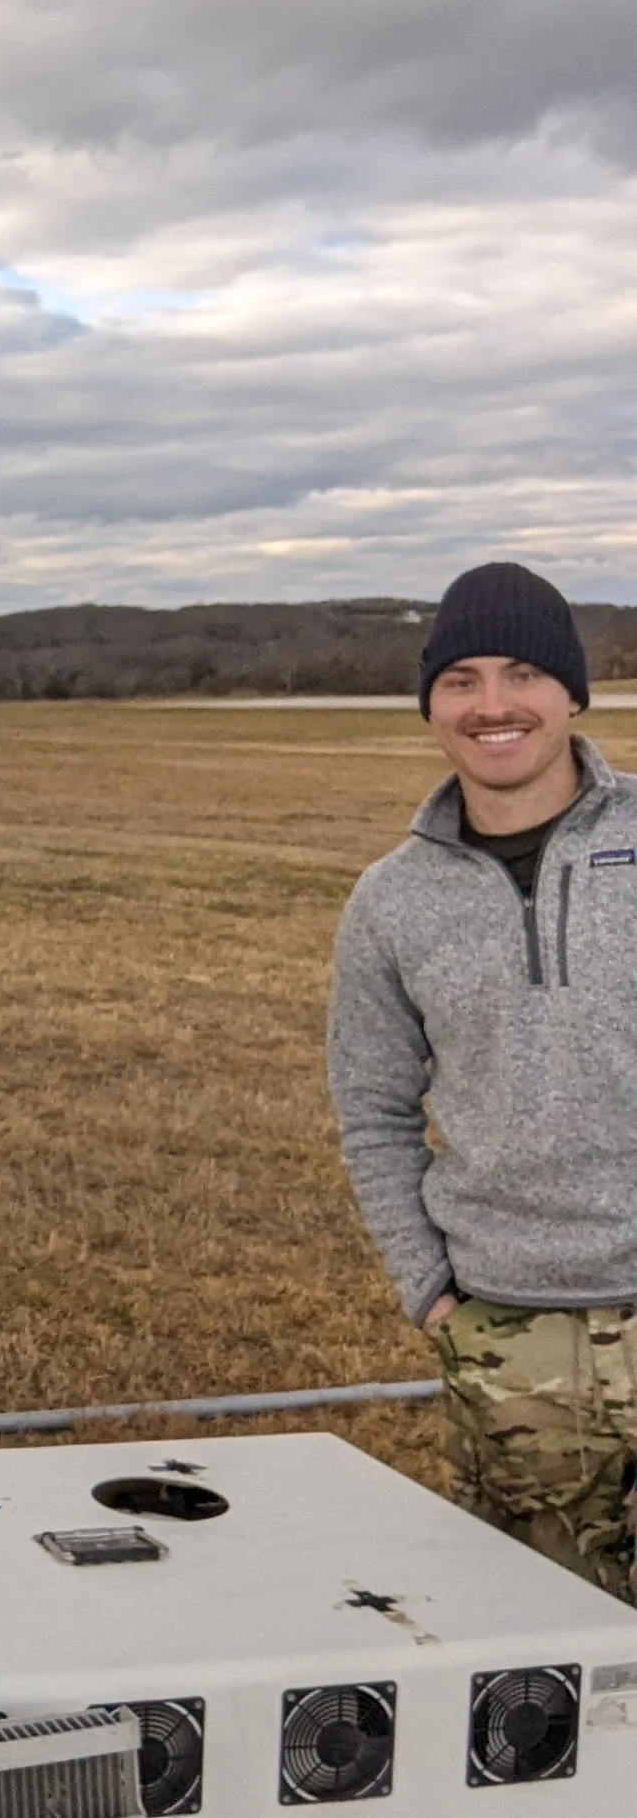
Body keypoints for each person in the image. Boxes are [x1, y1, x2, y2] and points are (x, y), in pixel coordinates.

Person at [329, 558, 637, 1600]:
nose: (491, 705)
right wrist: (430, 1290)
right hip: (507, 1337)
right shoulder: (390, 901)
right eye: (460, 680)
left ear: (570, 692)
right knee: (541, 1647)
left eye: (521, 674)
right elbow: (373, 1109)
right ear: (430, 705)